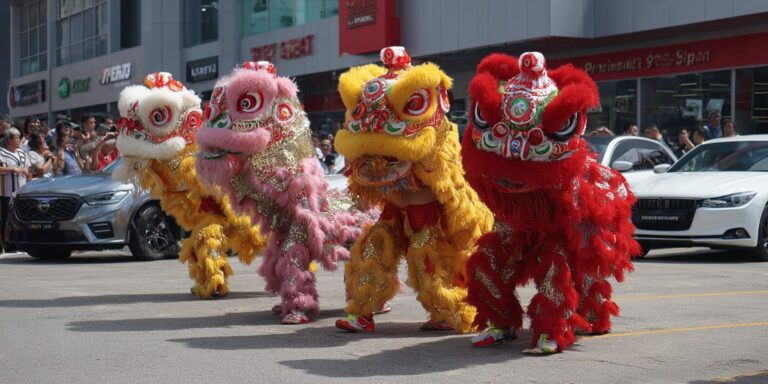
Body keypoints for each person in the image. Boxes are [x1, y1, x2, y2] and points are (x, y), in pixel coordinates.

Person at [0, 128, 32, 253]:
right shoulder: (1, 153)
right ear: (9, 140)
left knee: (22, 219)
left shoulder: (22, 153)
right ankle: (7, 245)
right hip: (7, 193)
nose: (19, 140)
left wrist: (28, 173)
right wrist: (12, 169)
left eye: (19, 137)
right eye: (16, 138)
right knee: (7, 219)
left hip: (22, 194)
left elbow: (29, 170)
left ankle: (21, 243)